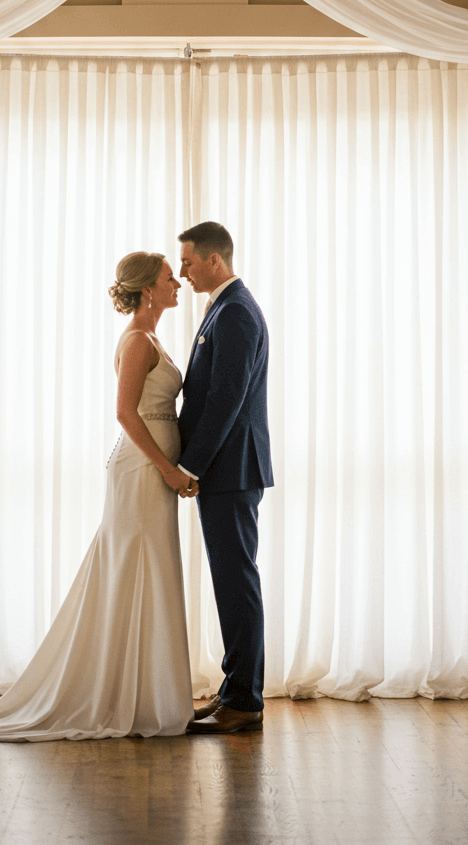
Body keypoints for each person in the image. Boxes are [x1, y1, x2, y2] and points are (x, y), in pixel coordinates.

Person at [0, 251, 196, 742]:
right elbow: (124, 413)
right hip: (142, 470)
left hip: (152, 471)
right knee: (134, 570)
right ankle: (119, 696)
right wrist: (166, 468)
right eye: (168, 278)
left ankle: (146, 694)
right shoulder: (139, 340)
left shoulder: (153, 337)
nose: (177, 284)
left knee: (151, 571)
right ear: (147, 290)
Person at [177, 222, 272, 735]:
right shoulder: (224, 306)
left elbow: (226, 398)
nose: (184, 272)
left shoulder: (234, 311)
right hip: (227, 469)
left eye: (189, 262)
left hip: (231, 469)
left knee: (237, 582)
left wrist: (191, 465)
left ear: (214, 260)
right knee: (231, 581)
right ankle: (234, 690)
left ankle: (244, 702)